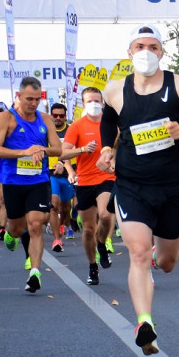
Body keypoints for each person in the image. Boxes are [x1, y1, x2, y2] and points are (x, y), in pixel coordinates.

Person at [97, 25, 179, 355]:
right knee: (137, 253)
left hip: (172, 187)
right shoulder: (115, 91)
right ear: (130, 52)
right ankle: (144, 322)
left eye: (153, 46)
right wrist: (107, 148)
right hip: (131, 185)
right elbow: (109, 122)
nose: (146, 52)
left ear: (162, 52)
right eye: (140, 46)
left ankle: (156, 259)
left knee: (165, 262)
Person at [0, 77, 62, 293]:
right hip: (13, 182)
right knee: (16, 229)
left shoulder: (45, 119)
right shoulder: (6, 118)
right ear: (19, 97)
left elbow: (58, 149)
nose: (34, 103)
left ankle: (35, 272)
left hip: (38, 180)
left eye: (37, 98)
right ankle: (10, 233)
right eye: (29, 99)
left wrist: (42, 150)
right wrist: (24, 151)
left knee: (35, 224)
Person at [62, 87, 117, 285]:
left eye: (97, 100)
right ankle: (93, 266)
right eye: (89, 101)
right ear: (83, 104)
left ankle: (101, 244)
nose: (94, 104)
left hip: (107, 178)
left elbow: (121, 147)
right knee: (87, 229)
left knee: (104, 214)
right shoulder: (76, 126)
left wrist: (115, 162)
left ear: (103, 102)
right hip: (84, 181)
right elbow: (63, 153)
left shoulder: (112, 124)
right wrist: (83, 149)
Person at [47, 103, 75, 252]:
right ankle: (57, 240)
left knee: (66, 208)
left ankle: (63, 223)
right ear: (51, 115)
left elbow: (72, 150)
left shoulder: (71, 131)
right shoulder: (47, 132)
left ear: (65, 117)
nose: (58, 118)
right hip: (51, 173)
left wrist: (62, 162)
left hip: (68, 173)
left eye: (61, 115)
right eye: (55, 115)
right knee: (54, 205)